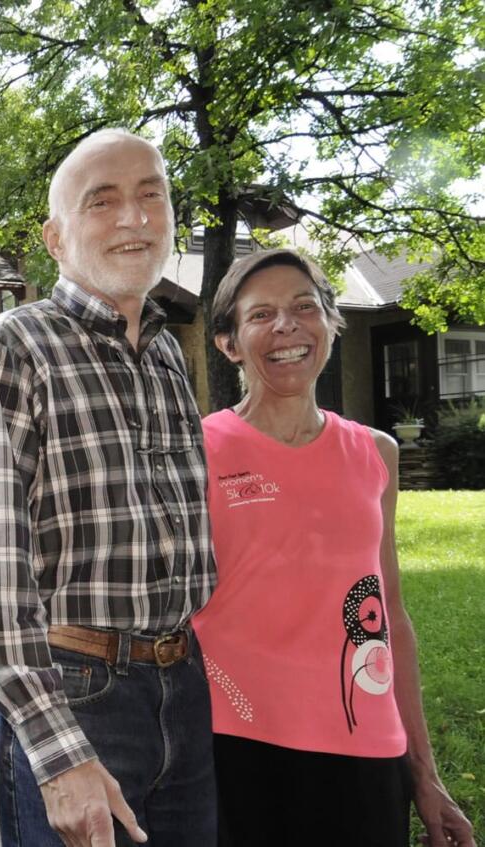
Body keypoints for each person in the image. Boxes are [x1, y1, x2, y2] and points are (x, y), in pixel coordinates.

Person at [0, 128, 217, 847]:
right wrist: (57, 749)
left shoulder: (166, 353)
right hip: (77, 691)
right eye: (103, 201)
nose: (134, 217)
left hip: (184, 686)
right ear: (55, 237)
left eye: (151, 195)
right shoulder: (16, 343)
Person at [192, 248, 476, 847]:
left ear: (330, 322)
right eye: (260, 314)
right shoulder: (198, 452)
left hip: (365, 748)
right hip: (235, 746)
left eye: (304, 307)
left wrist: (424, 772)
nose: (286, 327)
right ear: (230, 344)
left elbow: (389, 613)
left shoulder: (377, 453)